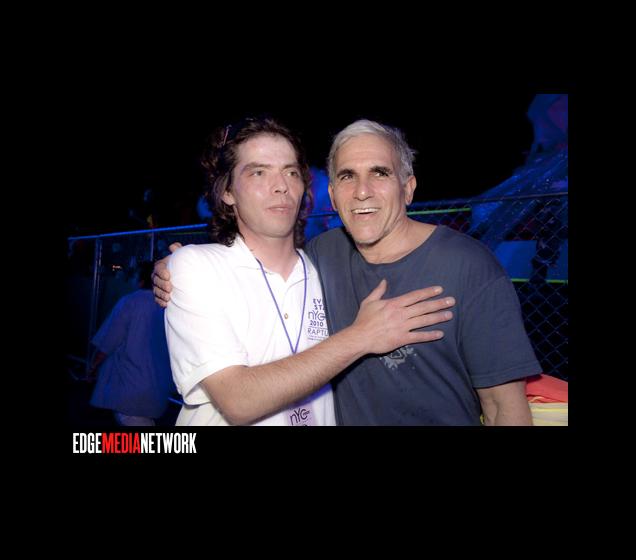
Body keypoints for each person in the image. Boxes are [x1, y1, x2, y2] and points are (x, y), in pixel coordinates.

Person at [156, 118, 538, 425]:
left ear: (408, 188)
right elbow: (238, 400)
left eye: (380, 173)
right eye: (347, 176)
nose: (362, 191)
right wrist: (177, 265)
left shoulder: (468, 264)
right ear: (333, 196)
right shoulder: (322, 256)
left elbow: (504, 407)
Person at [88, 261, 175, 426]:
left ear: (141, 280)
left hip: (129, 388)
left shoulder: (131, 301)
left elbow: (109, 341)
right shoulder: (170, 305)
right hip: (159, 389)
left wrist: (93, 366)